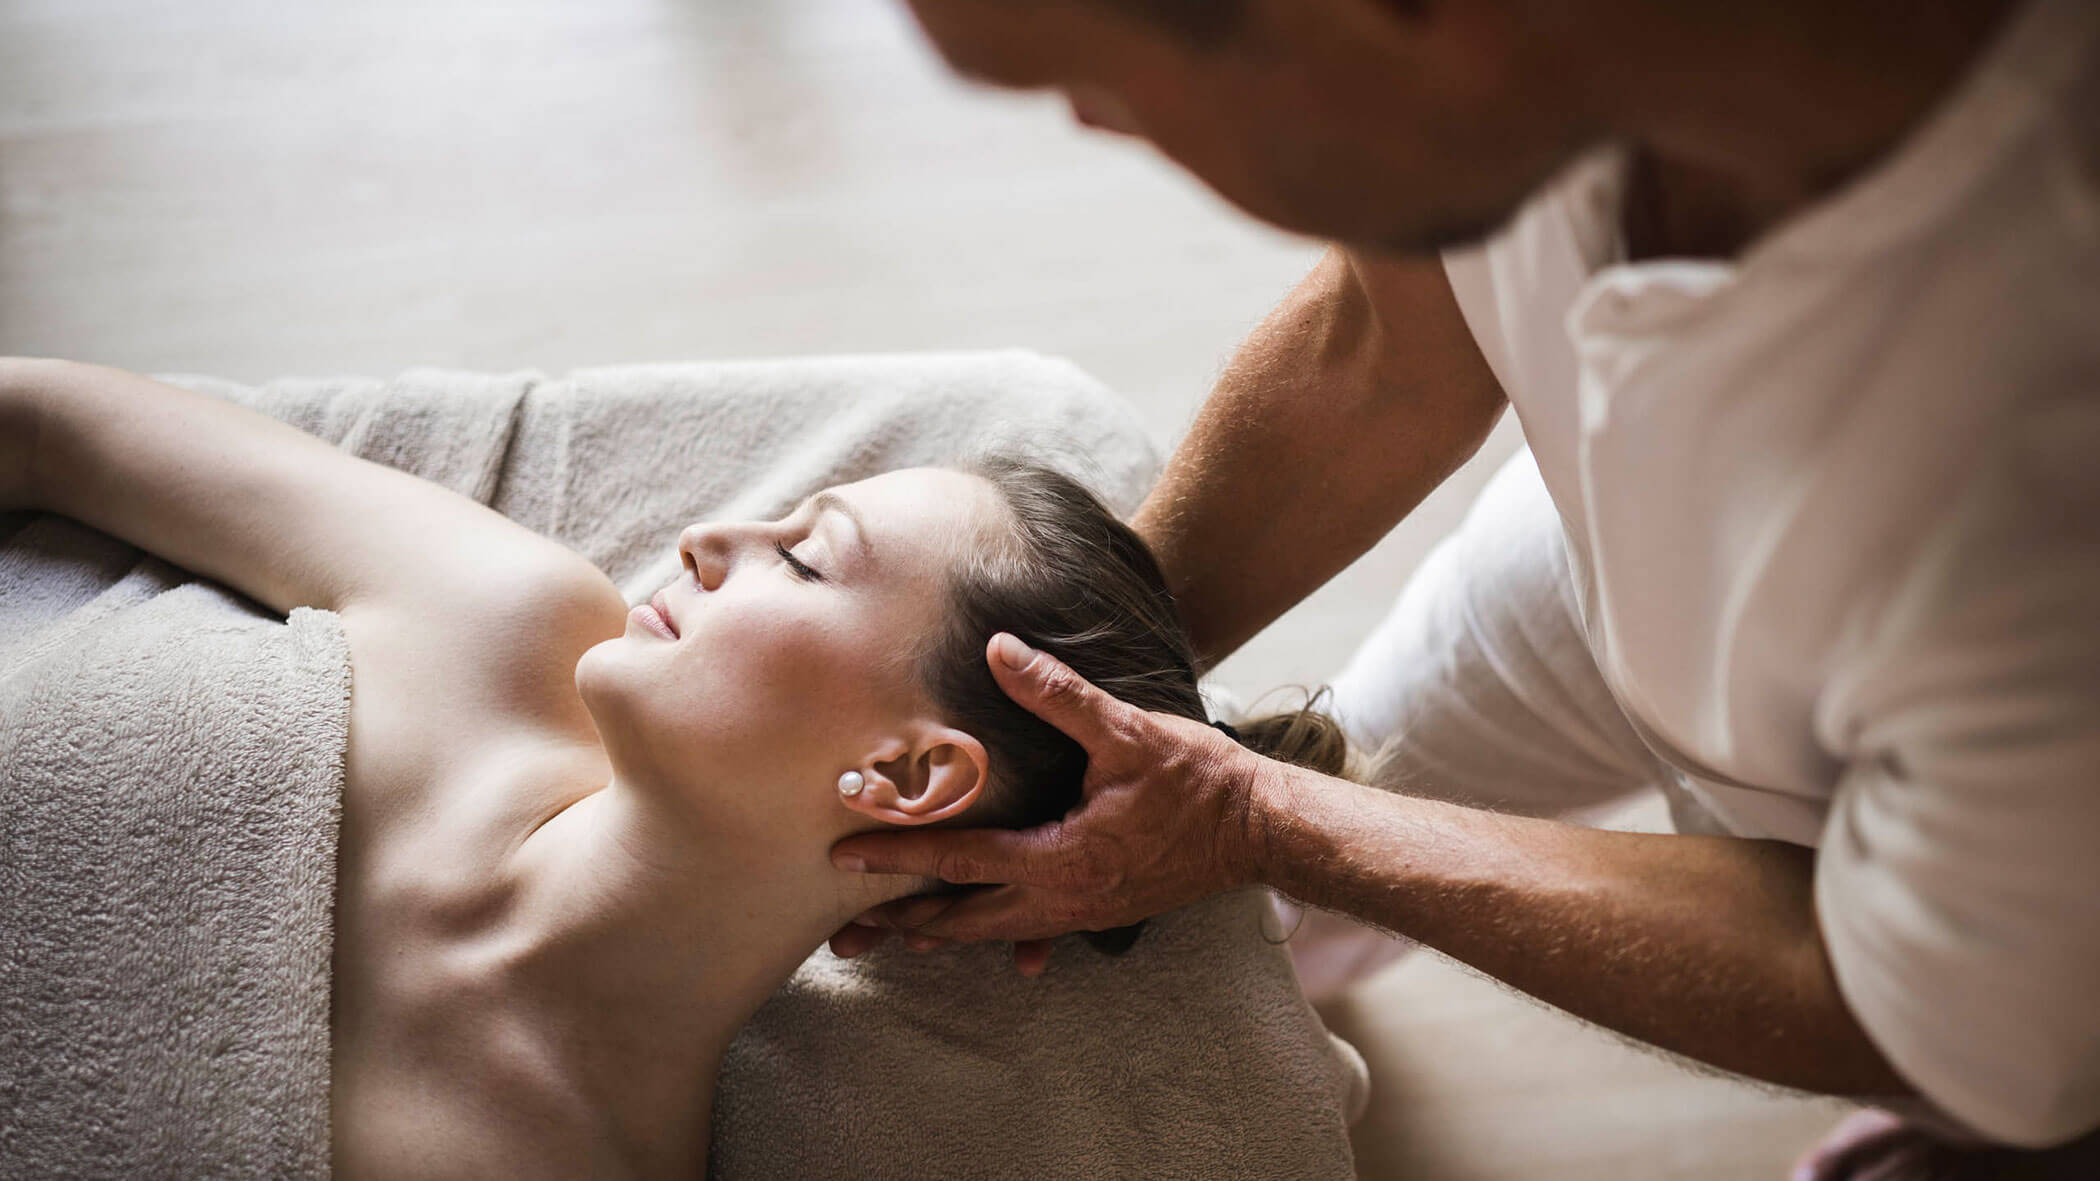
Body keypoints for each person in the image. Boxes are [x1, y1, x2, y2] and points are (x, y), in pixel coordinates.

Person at [829, 0, 2100, 1173]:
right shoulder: (1497, 92)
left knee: (2013, 1075)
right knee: (1234, 905)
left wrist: (1251, 816)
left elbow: (1882, 976)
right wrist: (1043, 696)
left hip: (1990, 872)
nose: (1097, 124)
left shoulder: (2036, 448)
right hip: (1616, 539)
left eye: (1093, 79)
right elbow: (1385, 344)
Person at [0, 357, 1345, 1177]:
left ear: (905, 773)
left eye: (803, 556)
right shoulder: (500, 616)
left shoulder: (556, 1161)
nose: (713, 534)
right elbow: (49, 427)